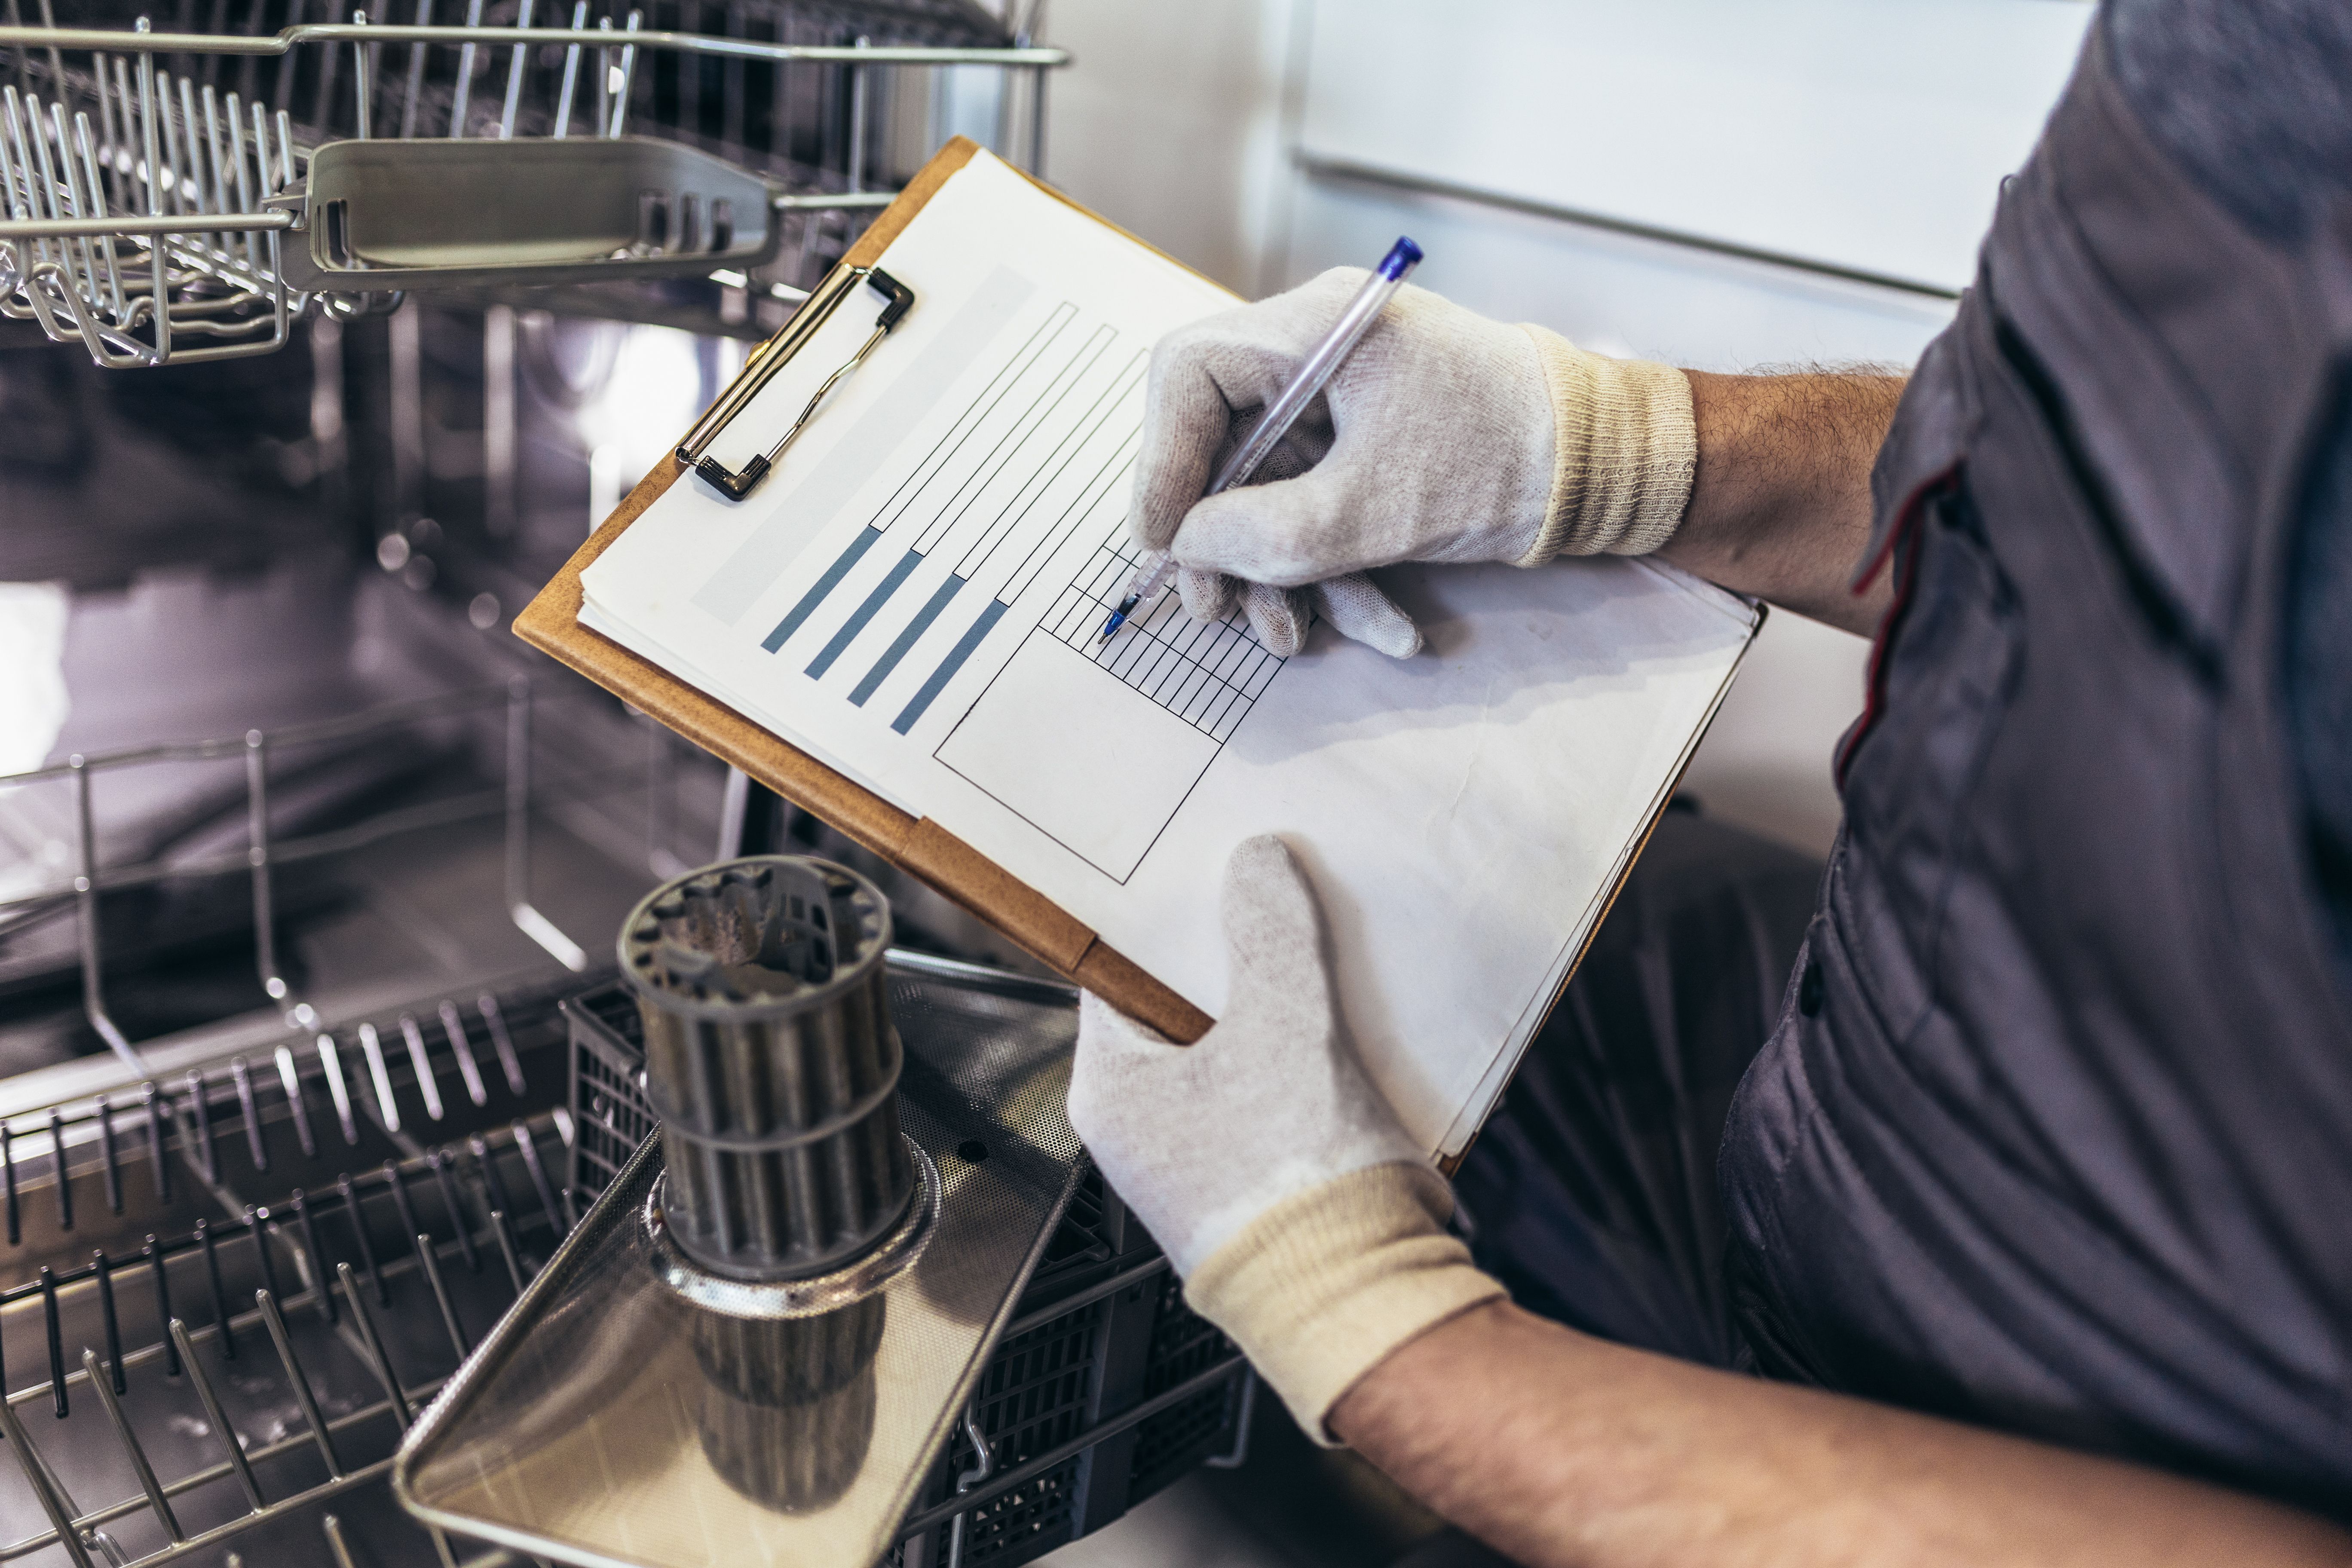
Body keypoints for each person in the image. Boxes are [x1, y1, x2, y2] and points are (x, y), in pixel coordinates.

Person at [1066, 1, 2352, 1562]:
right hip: (1839, 1064)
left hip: (2031, 1452)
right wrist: (1609, 449)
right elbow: (2061, 485)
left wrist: (1368, 1325)